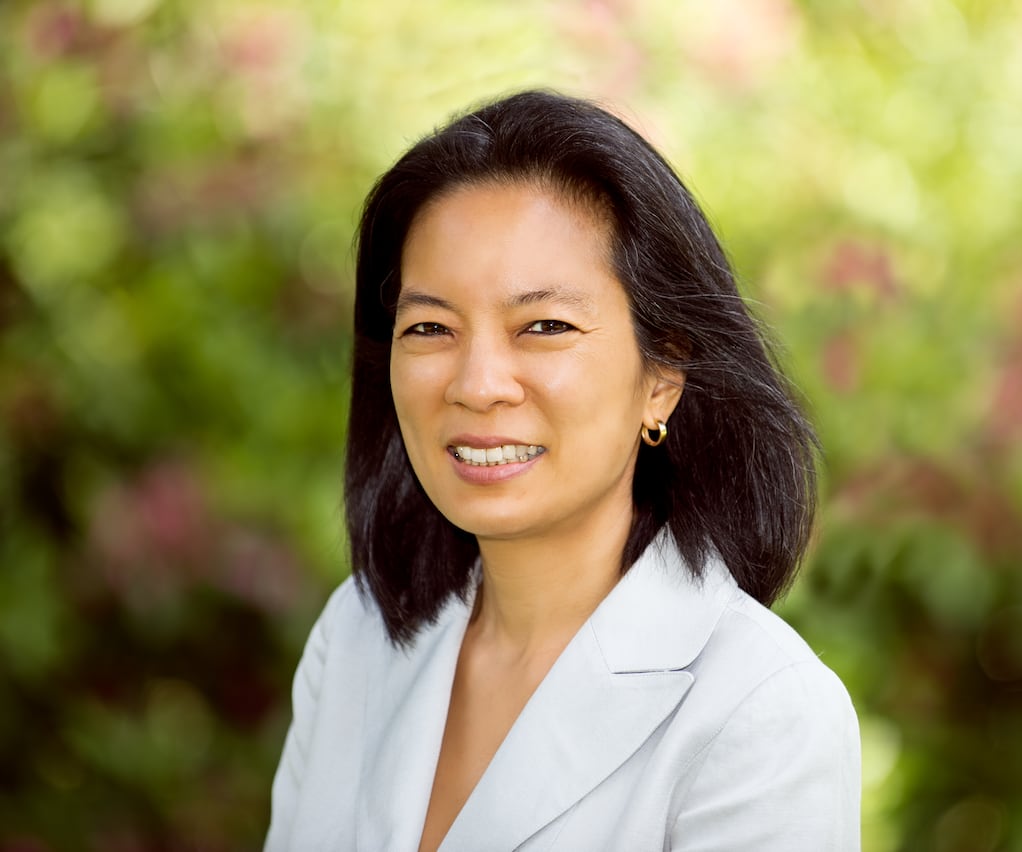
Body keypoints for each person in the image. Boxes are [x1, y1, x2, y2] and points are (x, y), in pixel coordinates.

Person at [265, 89, 860, 851]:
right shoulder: (356, 638)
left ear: (663, 374)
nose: (477, 383)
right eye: (430, 327)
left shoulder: (759, 712)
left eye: (544, 326)